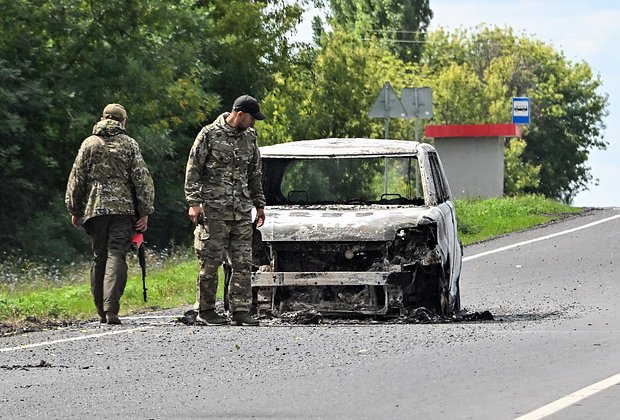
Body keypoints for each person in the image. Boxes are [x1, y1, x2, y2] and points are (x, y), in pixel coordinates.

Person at [65, 103, 155, 325]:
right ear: (123, 121)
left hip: (95, 208)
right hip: (123, 210)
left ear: (103, 118)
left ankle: (101, 311)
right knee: (117, 254)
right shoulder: (129, 144)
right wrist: (144, 212)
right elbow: (142, 180)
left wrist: (74, 209)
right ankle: (111, 309)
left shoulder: (89, 144)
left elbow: (77, 179)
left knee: (100, 256)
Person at [185, 94, 267, 326]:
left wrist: (259, 205)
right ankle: (206, 309)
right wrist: (193, 202)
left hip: (241, 210)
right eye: (252, 118)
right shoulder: (209, 134)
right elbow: (193, 169)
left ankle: (241, 310)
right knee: (211, 262)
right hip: (214, 211)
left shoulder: (250, 137)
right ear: (239, 114)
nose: (253, 123)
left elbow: (255, 174)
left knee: (242, 262)